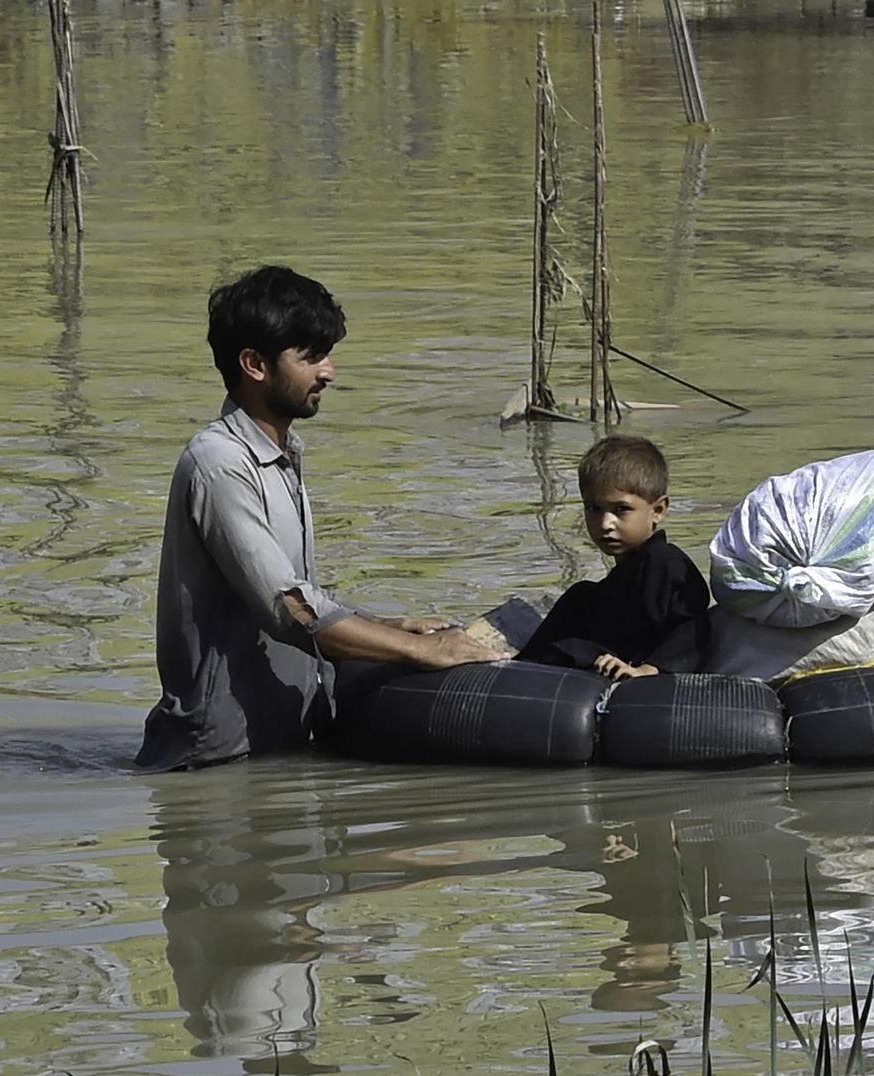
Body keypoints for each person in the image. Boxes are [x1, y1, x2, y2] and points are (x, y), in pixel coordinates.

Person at [137, 265, 500, 772]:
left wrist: (386, 625)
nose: (328, 372)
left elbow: (299, 595)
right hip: (214, 764)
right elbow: (289, 608)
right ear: (254, 364)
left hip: (274, 750)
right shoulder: (219, 464)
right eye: (310, 357)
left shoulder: (281, 454)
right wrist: (427, 652)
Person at [517, 435, 711, 680]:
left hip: (639, 675)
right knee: (581, 595)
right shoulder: (615, 580)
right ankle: (517, 669)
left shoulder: (664, 562)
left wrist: (647, 670)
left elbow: (693, 627)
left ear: (658, 510)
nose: (605, 524)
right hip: (604, 663)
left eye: (622, 509)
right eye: (593, 509)